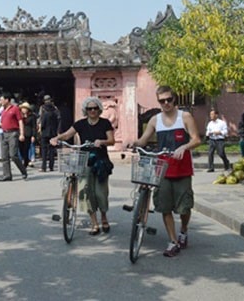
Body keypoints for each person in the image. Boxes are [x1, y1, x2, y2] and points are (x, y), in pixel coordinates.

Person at [132, 85, 201, 257]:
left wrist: (184, 147)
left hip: (182, 169)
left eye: (169, 99)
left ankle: (183, 230)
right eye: (162, 101)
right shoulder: (156, 120)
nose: (166, 103)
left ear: (174, 99)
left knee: (184, 208)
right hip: (162, 169)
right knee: (164, 206)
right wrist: (135, 144)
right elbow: (144, 138)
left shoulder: (184, 117)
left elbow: (196, 139)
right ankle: (173, 241)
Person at [50, 96, 115, 236]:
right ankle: (94, 223)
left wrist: (102, 142)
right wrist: (57, 138)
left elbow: (112, 140)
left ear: (99, 110)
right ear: (85, 110)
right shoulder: (80, 124)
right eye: (89, 108)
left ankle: (103, 216)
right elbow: (67, 135)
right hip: (84, 161)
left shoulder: (105, 123)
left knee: (101, 193)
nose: (92, 111)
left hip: (101, 162)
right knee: (86, 193)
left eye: (95, 108)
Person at [0, 92, 28, 182]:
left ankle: (23, 171)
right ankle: (7, 175)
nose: (0, 102)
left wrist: (22, 134)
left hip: (13, 133)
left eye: (2, 100)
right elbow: (2, 122)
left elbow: (20, 121)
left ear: (7, 100)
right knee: (4, 156)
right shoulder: (3, 111)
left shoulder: (15, 109)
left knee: (13, 155)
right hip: (4, 133)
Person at [39, 98, 60, 172]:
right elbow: (57, 123)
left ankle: (44, 167)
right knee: (51, 150)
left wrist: (41, 130)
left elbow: (43, 124)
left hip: (45, 134)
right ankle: (51, 166)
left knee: (44, 151)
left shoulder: (45, 114)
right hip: (53, 134)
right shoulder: (55, 114)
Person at [19, 102, 37, 168]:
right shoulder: (19, 116)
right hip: (21, 134)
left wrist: (33, 135)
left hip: (28, 134)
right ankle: (26, 159)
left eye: (25, 109)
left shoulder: (32, 116)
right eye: (23, 108)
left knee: (26, 148)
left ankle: (26, 163)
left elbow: (34, 126)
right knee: (21, 149)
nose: (24, 110)